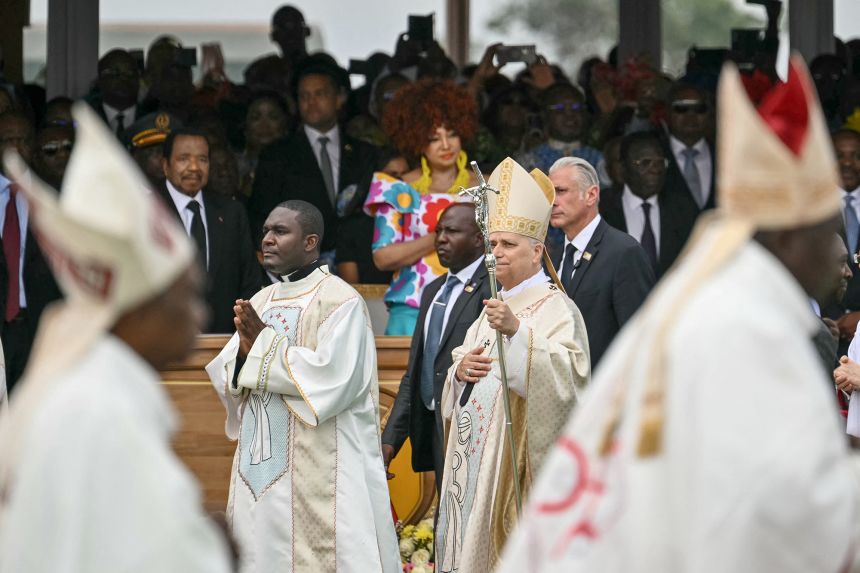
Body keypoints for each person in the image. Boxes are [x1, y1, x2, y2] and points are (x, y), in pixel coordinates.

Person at [498, 56, 860, 573]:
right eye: (824, 231)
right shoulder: (750, 326)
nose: (839, 249)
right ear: (785, 238)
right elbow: (791, 502)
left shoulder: (729, 297)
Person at [0, 102, 231, 572]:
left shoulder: (99, 384)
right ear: (140, 308)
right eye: (186, 295)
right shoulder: (105, 407)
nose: (200, 312)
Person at [206, 200, 400, 572]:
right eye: (265, 231)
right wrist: (246, 358)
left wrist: (262, 346)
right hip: (260, 468)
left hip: (318, 471)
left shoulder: (341, 302)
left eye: (280, 232)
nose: (268, 239)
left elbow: (334, 378)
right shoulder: (261, 300)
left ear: (310, 241)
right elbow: (229, 368)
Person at [435, 157, 590, 573]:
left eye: (508, 245)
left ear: (537, 250)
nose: (495, 254)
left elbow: (570, 382)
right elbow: (460, 374)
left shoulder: (558, 308)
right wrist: (459, 371)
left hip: (509, 472)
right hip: (471, 464)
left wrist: (519, 334)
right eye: (492, 244)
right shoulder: (493, 305)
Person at [381, 203, 490, 490]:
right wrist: (390, 440)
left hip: (472, 430)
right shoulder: (433, 290)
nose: (440, 238)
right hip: (433, 427)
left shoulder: (493, 287)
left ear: (479, 238)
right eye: (438, 231)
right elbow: (415, 372)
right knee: (446, 526)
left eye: (452, 231)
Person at [363, 79, 479, 335]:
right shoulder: (397, 188)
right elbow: (383, 257)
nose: (446, 145)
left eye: (452, 133)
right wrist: (442, 237)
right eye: (433, 138)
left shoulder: (487, 187)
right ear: (416, 139)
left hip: (474, 308)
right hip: (411, 310)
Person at [248, 54, 379, 268]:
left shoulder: (365, 154)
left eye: (320, 94)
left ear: (340, 98)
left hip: (359, 269)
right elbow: (261, 218)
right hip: (298, 270)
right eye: (304, 96)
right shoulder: (276, 155)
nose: (311, 102)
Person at [548, 156, 655, 368]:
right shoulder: (553, 256)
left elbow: (639, 337)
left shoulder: (624, 252)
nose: (552, 201)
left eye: (561, 191)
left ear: (591, 194)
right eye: (549, 194)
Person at [156, 127, 260, 333]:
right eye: (184, 159)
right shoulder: (148, 210)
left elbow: (249, 281)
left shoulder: (232, 212)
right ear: (166, 165)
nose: (194, 167)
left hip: (223, 345)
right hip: (163, 345)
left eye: (202, 159)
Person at [0, 111, 61, 393]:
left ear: (34, 146)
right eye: (7, 140)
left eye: (22, 140)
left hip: (42, 328)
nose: (14, 147)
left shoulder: (55, 197)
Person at [600, 131, 699, 278]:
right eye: (645, 163)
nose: (656, 169)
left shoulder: (683, 209)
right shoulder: (599, 208)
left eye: (660, 162)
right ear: (623, 168)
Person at [661, 82, 716, 210]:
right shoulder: (655, 153)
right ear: (667, 112)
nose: (691, 116)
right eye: (681, 108)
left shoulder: (725, 156)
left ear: (709, 113)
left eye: (699, 109)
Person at [85, 49, 141, 138]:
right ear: (100, 80)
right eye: (115, 72)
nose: (123, 79)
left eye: (129, 72)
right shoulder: (85, 118)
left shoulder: (152, 117)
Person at [123, 111, 182, 190]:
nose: (163, 160)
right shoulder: (120, 197)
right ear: (136, 156)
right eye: (155, 152)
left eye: (170, 152)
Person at [31, 121, 74, 189]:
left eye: (68, 147)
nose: (63, 154)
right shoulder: (23, 196)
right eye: (51, 148)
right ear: (35, 158)